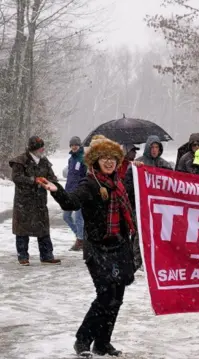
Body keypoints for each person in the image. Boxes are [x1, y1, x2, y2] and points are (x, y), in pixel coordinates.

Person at [40, 135, 137, 358]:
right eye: (104, 157)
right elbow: (71, 202)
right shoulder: (91, 183)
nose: (109, 161)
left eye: (113, 157)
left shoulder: (118, 183)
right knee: (105, 295)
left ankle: (103, 343)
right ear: (95, 160)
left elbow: (132, 202)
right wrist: (57, 191)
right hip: (98, 248)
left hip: (120, 246)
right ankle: (82, 339)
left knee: (117, 296)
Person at [9, 136, 61, 266]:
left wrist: (50, 182)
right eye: (40, 147)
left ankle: (47, 256)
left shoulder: (44, 161)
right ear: (33, 149)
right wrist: (34, 180)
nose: (42, 150)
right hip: (23, 202)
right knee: (22, 231)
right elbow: (16, 177)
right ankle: (23, 257)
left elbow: (52, 177)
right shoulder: (20, 161)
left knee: (43, 229)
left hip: (40, 202)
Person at [65, 136, 87, 251]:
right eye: (72, 145)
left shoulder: (84, 159)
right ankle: (81, 238)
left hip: (79, 193)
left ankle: (80, 240)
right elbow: (69, 176)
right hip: (69, 192)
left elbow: (86, 177)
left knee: (79, 218)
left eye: (76, 145)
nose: (74, 147)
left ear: (80, 146)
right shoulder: (71, 159)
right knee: (66, 216)